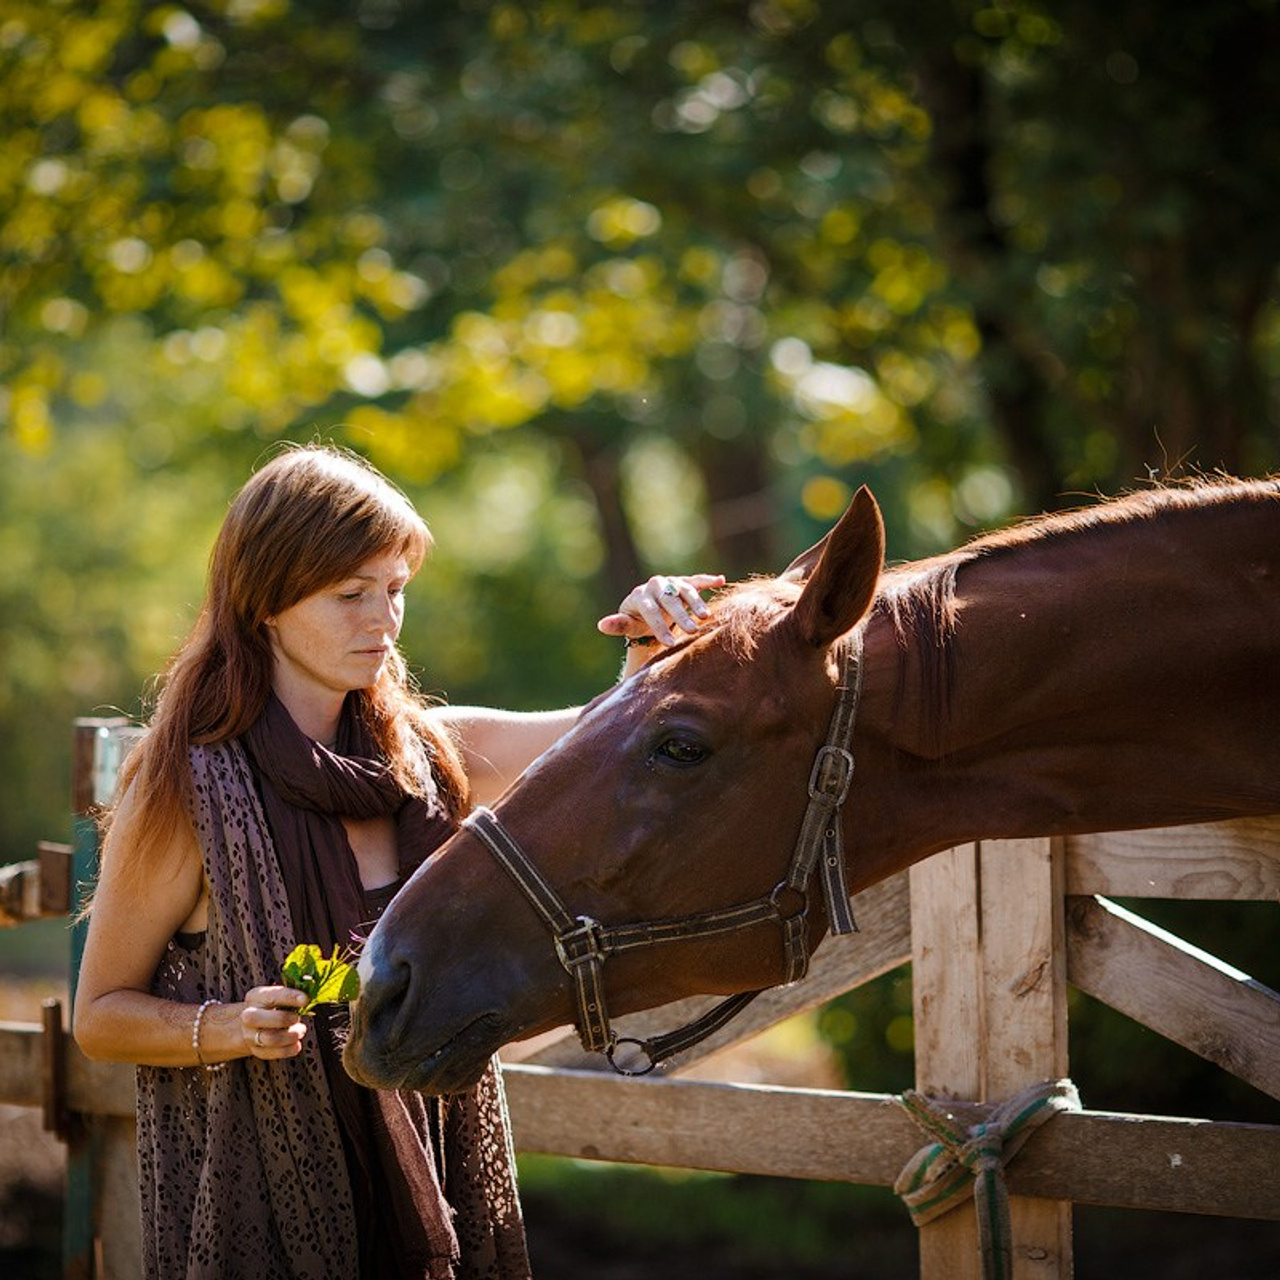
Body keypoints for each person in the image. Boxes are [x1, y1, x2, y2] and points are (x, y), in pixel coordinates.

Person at [72, 443, 723, 1280]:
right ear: (264, 601)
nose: (381, 621)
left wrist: (648, 640)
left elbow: (604, 733)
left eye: (396, 591)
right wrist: (228, 1026)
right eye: (350, 595)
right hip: (264, 1209)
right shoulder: (185, 791)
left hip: (440, 1171)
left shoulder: (428, 755)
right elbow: (99, 1015)